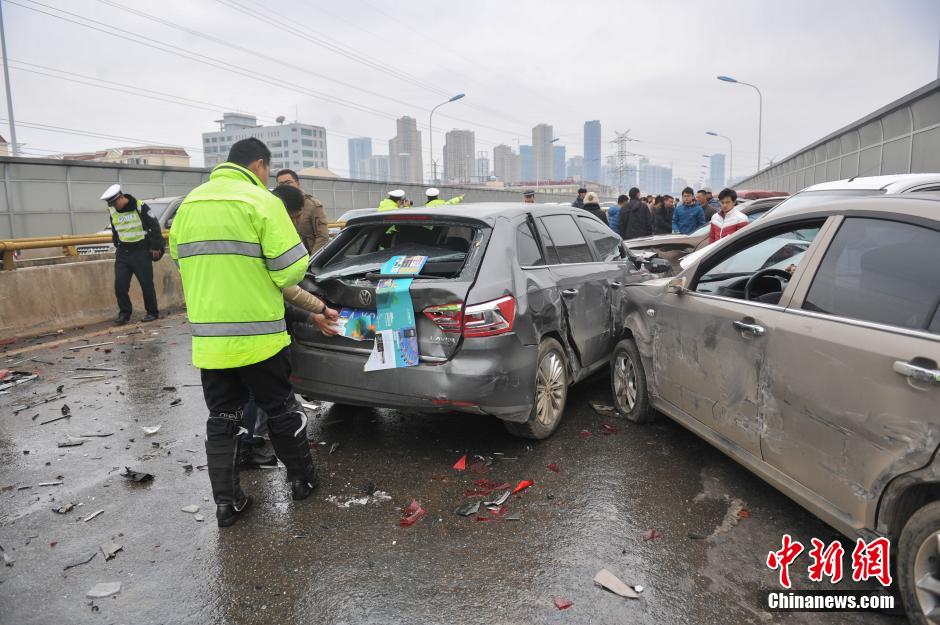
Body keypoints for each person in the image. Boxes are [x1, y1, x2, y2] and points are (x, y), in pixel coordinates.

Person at [169, 138, 319, 528]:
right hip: (260, 338)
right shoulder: (262, 202)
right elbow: (289, 271)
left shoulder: (190, 204)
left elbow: (178, 258)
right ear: (259, 165)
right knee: (281, 409)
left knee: (222, 418)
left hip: (211, 342)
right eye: (267, 169)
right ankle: (302, 480)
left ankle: (228, 503)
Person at [99, 184, 164, 325]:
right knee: (120, 285)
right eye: (111, 204)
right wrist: (116, 242)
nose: (114, 206)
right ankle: (124, 314)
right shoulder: (113, 210)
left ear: (121, 197)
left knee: (146, 284)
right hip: (123, 252)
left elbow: (154, 226)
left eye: (115, 202)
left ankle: (152, 312)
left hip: (141, 251)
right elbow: (115, 229)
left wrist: (155, 247)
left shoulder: (140, 206)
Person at [275, 169, 329, 254]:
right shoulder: (275, 206)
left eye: (288, 182)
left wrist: (311, 261)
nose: (285, 186)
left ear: (298, 183)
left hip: (308, 257)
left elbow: (323, 236)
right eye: (281, 184)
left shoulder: (312, 205)